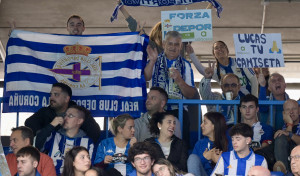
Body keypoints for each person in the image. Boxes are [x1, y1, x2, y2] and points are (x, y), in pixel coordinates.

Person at [25, 82, 101, 145]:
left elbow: (95, 132)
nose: (52, 98)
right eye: (51, 95)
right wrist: (49, 128)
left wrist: (79, 144)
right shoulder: (44, 112)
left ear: (66, 99)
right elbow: (29, 125)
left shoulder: (79, 112)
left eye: (56, 95)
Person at [36, 105, 95, 175]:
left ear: (79, 121)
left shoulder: (88, 142)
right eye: (65, 115)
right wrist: (51, 125)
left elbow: (89, 166)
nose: (65, 118)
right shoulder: (54, 136)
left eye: (70, 116)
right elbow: (37, 144)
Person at [186, 41, 258, 97]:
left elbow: (254, 80)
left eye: (222, 46)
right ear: (214, 54)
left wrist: (254, 99)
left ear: (227, 51)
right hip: (230, 106)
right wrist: (192, 54)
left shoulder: (240, 62)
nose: (219, 49)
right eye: (216, 48)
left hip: (246, 102)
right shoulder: (216, 71)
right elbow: (203, 71)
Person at [187, 112, 232, 176]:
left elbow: (233, 168)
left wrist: (219, 162)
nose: (201, 125)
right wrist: (205, 158)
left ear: (214, 125)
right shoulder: (200, 144)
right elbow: (193, 166)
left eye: (205, 122)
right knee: (192, 158)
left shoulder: (229, 143)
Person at [272, 99, 300, 173]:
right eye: (288, 109)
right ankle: (283, 171)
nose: (291, 112)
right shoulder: (281, 129)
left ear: (299, 111)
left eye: (294, 109)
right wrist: (290, 124)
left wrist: (290, 134)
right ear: (283, 113)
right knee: (280, 137)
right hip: (288, 160)